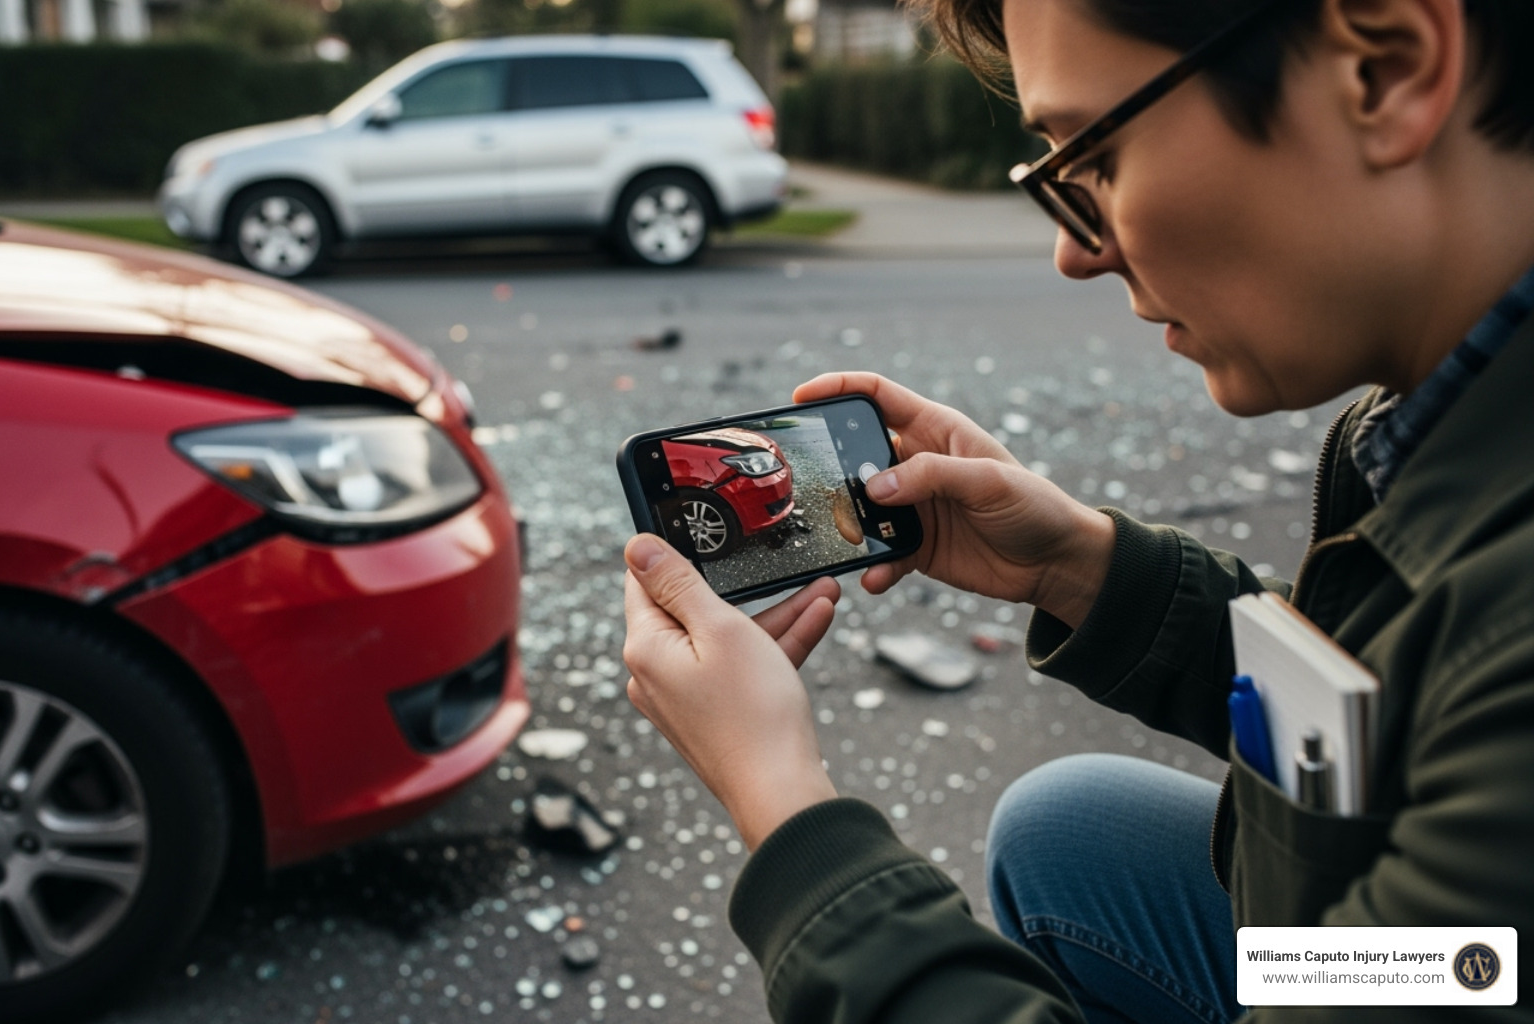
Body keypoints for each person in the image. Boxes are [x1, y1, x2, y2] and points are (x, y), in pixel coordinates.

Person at [621, 0, 1534, 1020]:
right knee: (1068, 829)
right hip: (1443, 964)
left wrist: (788, 814)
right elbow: (1457, 917)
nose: (1076, 253)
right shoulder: (1441, 418)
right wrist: (1083, 568)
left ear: (1387, 70)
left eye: (1093, 156)